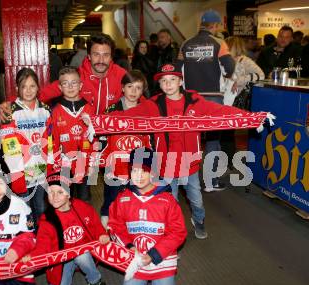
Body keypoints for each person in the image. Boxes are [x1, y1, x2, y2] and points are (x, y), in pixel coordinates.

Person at [105, 62, 260, 239]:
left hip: (189, 164)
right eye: (164, 80)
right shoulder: (154, 104)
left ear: (180, 82)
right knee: (171, 203)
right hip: (165, 165)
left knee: (197, 201)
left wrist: (250, 117)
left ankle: (199, 220)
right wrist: (98, 122)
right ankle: (173, 233)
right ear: (160, 84)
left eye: (173, 79)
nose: (168, 83)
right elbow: (129, 115)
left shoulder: (195, 101)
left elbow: (220, 110)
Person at [108, 147, 187, 285]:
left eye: (144, 171)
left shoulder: (167, 200)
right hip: (135, 257)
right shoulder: (123, 198)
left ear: (152, 173)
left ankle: (162, 280)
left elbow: (178, 232)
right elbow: (115, 226)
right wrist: (129, 247)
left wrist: (154, 254)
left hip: (161, 258)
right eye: (134, 171)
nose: (138, 176)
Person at [25, 171, 111, 285]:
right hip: (63, 260)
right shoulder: (47, 220)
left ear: (68, 193)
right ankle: (72, 270)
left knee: (81, 255)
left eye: (60, 192)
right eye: (50, 192)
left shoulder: (84, 208)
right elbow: (42, 247)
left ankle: (96, 281)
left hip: (85, 254)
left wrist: (102, 235)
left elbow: (97, 227)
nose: (54, 197)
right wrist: (31, 257)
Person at [179, 9, 235, 192]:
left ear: (201, 24)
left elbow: (177, 70)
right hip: (213, 98)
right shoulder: (219, 43)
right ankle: (211, 182)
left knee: (189, 139)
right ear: (216, 25)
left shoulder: (186, 44)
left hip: (190, 99)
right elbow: (229, 68)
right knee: (213, 140)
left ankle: (185, 178)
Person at [1, 67, 53, 220]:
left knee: (42, 209)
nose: (28, 90)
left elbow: (50, 140)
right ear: (17, 88)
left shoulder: (46, 110)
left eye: (32, 86)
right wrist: (17, 174)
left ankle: (41, 239)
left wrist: (50, 165)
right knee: (25, 212)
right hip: (21, 173)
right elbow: (8, 145)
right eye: (24, 86)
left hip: (41, 171)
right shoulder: (9, 111)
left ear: (38, 87)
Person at [100, 70, 151, 228]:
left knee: (135, 202)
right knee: (111, 200)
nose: (134, 91)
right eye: (130, 86)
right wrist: (104, 164)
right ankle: (106, 233)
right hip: (114, 167)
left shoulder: (148, 111)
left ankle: (131, 231)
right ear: (122, 88)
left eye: (138, 87)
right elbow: (102, 139)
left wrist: (150, 166)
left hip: (138, 168)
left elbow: (151, 141)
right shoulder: (112, 111)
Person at [51, 66, 95, 201]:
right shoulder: (55, 111)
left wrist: (94, 161)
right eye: (65, 83)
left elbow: (96, 138)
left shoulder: (89, 108)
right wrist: (55, 162)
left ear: (80, 85)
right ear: (60, 87)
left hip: (85, 164)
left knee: (84, 200)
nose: (70, 87)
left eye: (74, 83)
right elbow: (52, 139)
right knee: (65, 200)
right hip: (64, 165)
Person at [222, 36, 265, 164]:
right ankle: (225, 160)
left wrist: (240, 80)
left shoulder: (244, 61)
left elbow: (260, 74)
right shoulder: (226, 60)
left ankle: (227, 161)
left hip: (235, 100)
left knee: (227, 132)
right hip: (225, 99)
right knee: (224, 132)